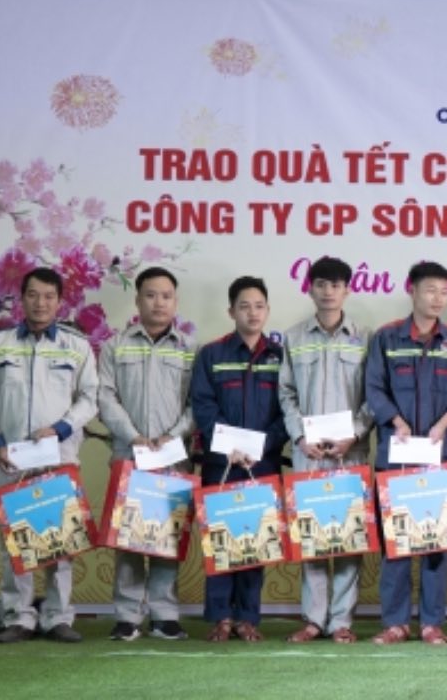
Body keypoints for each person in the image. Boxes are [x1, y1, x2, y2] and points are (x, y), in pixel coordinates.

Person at [0, 266, 99, 644]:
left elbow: (90, 397)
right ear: (21, 298)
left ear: (60, 301)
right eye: (33, 295)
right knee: (17, 541)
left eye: (48, 296)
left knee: (61, 541)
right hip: (12, 459)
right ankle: (18, 617)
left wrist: (60, 428)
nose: (40, 303)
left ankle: (58, 617)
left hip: (59, 456)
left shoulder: (76, 347)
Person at [364, 261, 447, 646]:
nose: (438, 298)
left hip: (439, 457)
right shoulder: (387, 339)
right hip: (395, 457)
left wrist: (445, 423)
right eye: (431, 290)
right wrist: (394, 419)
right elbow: (374, 388)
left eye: (444, 291)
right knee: (396, 546)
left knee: (435, 546)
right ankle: (395, 623)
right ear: (411, 290)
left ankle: (432, 623)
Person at [97, 266, 196, 642]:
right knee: (129, 540)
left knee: (165, 539)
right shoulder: (115, 345)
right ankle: (126, 616)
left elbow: (195, 403)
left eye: (166, 296)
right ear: (138, 299)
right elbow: (105, 396)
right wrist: (134, 436)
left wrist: (173, 435)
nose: (159, 302)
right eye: (151, 295)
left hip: (172, 457)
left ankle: (164, 615)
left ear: (175, 301)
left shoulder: (189, 349)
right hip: (129, 454)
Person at [278, 257, 373, 644]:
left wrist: (357, 432)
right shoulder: (294, 338)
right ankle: (314, 619)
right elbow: (286, 393)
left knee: (349, 538)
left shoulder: (366, 338)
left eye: (336, 285)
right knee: (313, 539)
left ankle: (342, 621)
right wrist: (300, 437)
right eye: (321, 284)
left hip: (350, 454)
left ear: (347, 290)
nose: (328, 291)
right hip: (309, 454)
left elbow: (374, 397)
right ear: (311, 288)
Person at [190, 275, 289, 643]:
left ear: (267, 311)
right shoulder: (212, 355)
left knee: (254, 540)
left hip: (262, 464)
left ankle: (248, 618)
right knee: (221, 539)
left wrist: (264, 445)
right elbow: (203, 405)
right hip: (222, 462)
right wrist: (226, 444)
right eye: (244, 306)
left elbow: (287, 407)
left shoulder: (280, 357)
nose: (252, 312)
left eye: (259, 306)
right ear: (231, 310)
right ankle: (220, 618)